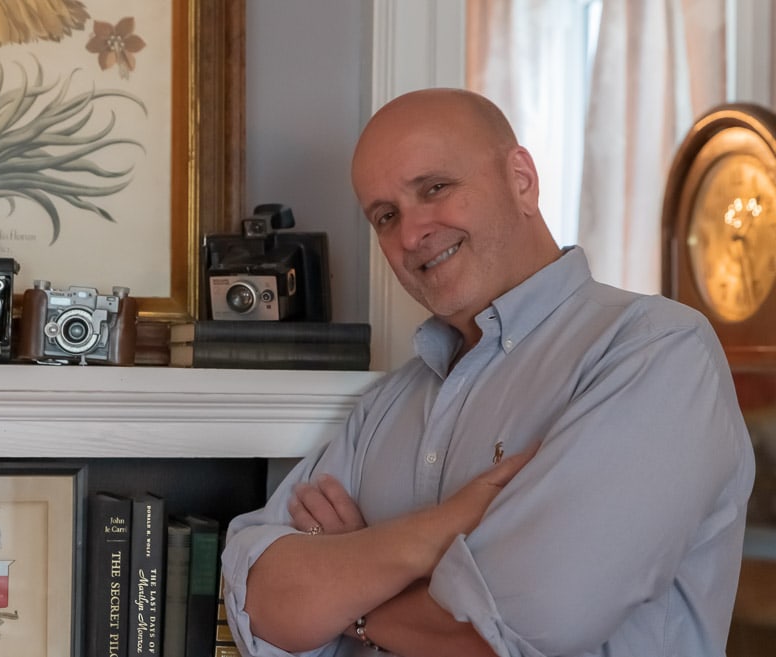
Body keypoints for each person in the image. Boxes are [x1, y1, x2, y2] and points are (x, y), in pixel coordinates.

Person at [220, 88, 756, 657]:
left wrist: (351, 595)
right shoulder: (386, 407)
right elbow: (253, 598)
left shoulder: (654, 350)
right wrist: (437, 533)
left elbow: (525, 626)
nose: (410, 234)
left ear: (522, 179)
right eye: (385, 216)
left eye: (435, 188)